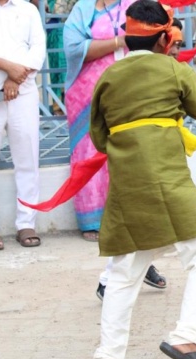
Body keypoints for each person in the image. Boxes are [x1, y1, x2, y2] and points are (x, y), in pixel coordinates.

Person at [89, 1, 196, 359]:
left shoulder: (108, 75)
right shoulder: (172, 67)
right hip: (166, 178)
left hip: (127, 182)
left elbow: (99, 137)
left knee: (124, 271)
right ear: (164, 38)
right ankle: (186, 335)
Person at [64, 0, 135, 242]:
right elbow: (73, 49)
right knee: (89, 153)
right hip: (87, 96)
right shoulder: (84, 8)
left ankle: (127, 217)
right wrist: (119, 41)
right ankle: (92, 221)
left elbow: (153, 38)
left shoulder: (135, 4)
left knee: (127, 150)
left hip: (129, 90)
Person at [0, 0, 46, 251]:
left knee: (28, 157)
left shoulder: (27, 9)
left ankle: (27, 222)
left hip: (24, 92)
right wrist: (6, 66)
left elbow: (37, 48)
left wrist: (14, 78)